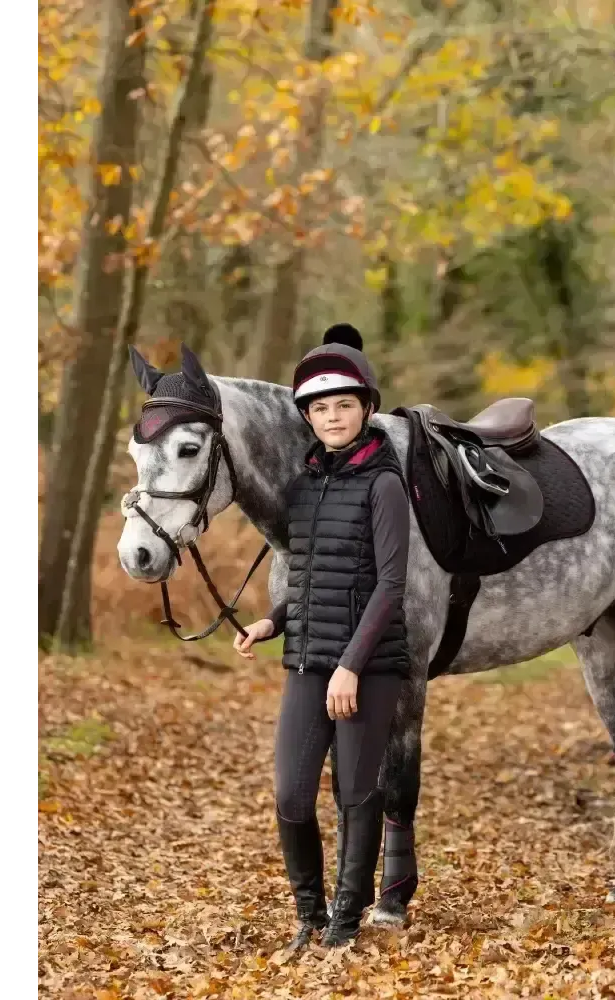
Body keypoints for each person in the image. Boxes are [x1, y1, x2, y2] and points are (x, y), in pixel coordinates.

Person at [232, 323, 411, 952]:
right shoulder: (306, 486)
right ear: (307, 417)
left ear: (365, 410)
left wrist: (352, 667)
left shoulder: (385, 483)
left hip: (368, 667)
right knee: (290, 795)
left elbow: (392, 585)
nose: (331, 416)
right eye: (320, 408)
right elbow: (308, 574)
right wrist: (273, 621)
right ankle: (308, 915)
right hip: (307, 660)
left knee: (357, 793)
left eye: (342, 405)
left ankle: (344, 922)